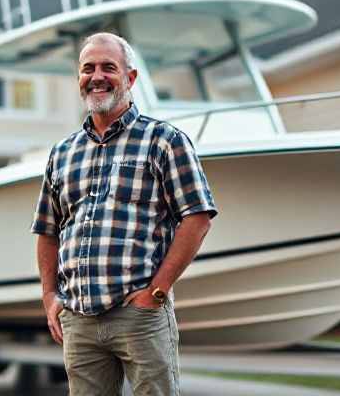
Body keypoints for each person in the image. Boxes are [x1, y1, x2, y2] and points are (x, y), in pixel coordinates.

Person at [31, 32, 217, 395]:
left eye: (108, 67)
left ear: (130, 78)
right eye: (87, 68)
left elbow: (197, 218)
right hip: (79, 319)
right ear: (79, 79)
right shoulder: (63, 152)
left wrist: (156, 293)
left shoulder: (164, 140)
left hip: (140, 315)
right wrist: (49, 296)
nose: (96, 76)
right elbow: (48, 229)